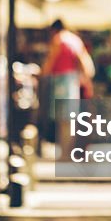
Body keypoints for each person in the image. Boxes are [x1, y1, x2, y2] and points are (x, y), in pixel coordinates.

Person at [41, 19, 95, 161]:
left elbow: (50, 62)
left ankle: (65, 154)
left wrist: (42, 73)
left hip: (61, 82)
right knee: (70, 120)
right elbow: (87, 65)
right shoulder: (75, 40)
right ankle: (68, 153)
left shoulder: (59, 40)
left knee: (63, 120)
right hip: (72, 81)